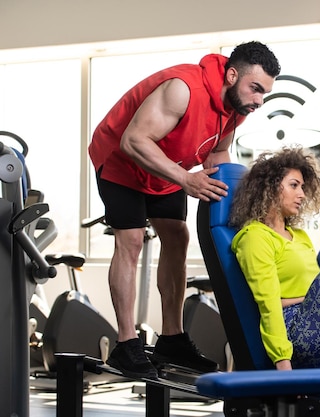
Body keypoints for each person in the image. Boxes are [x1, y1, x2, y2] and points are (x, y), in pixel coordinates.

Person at [89, 41, 281, 379]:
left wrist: (243, 206)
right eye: (255, 89)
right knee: (131, 240)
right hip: (122, 160)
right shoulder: (182, 89)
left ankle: (172, 337)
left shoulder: (234, 110)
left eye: (264, 93)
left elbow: (218, 157)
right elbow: (134, 141)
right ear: (232, 74)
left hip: (165, 169)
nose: (258, 100)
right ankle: (126, 344)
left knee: (177, 237)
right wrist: (185, 179)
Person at [229, 146, 320, 370]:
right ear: (269, 187)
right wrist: (283, 365)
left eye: (303, 187)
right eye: (294, 185)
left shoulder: (300, 236)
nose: (302, 195)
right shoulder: (255, 237)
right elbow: (269, 305)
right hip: (296, 335)